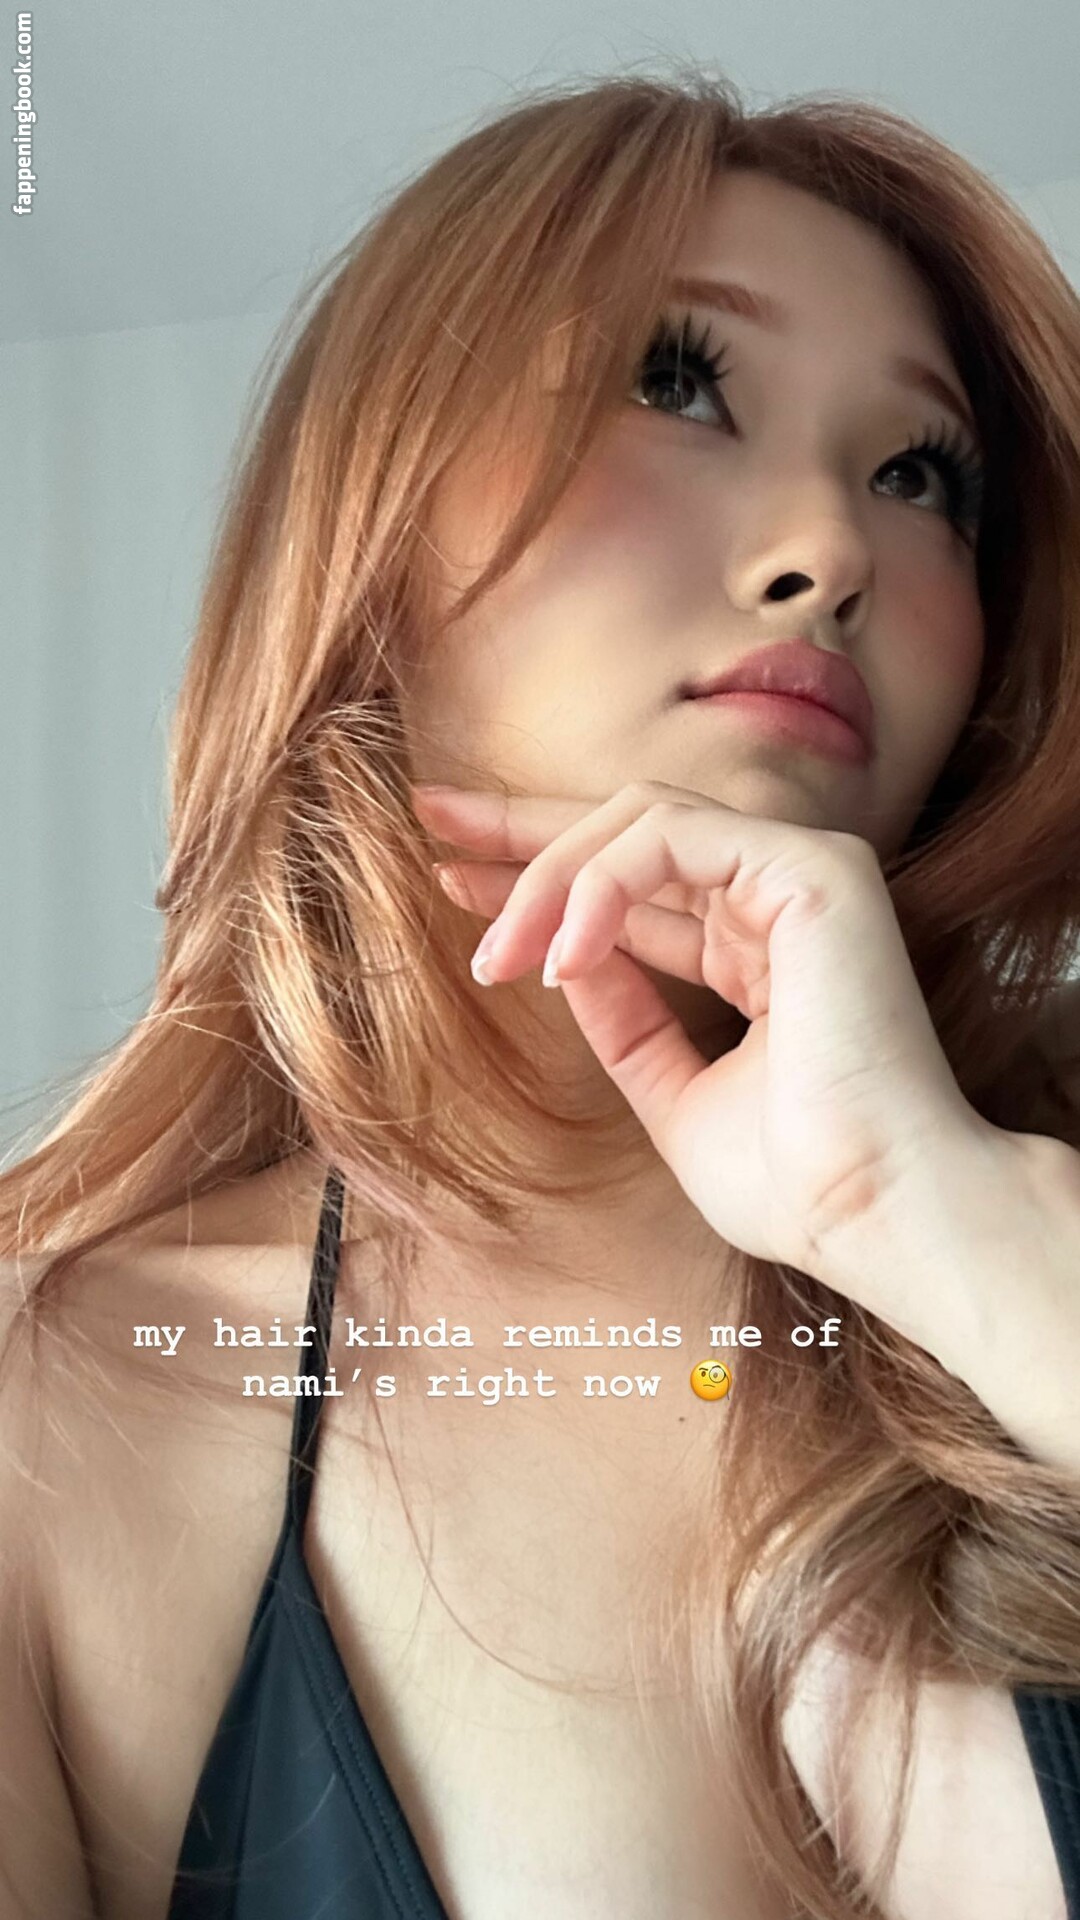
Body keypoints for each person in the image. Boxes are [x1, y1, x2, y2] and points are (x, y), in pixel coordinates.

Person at [2, 65, 1080, 1920]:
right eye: (676, 380)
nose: (834, 551)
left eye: (921, 476)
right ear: (368, 517)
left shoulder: (1035, 1232)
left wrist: (960, 1234)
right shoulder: (65, 1405)